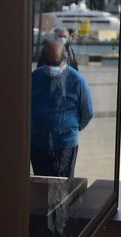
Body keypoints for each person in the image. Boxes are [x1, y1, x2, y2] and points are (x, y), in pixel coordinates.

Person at [30, 40, 93, 178]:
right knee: (41, 183)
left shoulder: (77, 80)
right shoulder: (34, 78)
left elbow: (87, 111)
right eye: (48, 63)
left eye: (55, 63)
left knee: (62, 186)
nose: (51, 67)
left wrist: (71, 129)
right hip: (38, 143)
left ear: (65, 59)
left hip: (65, 144)